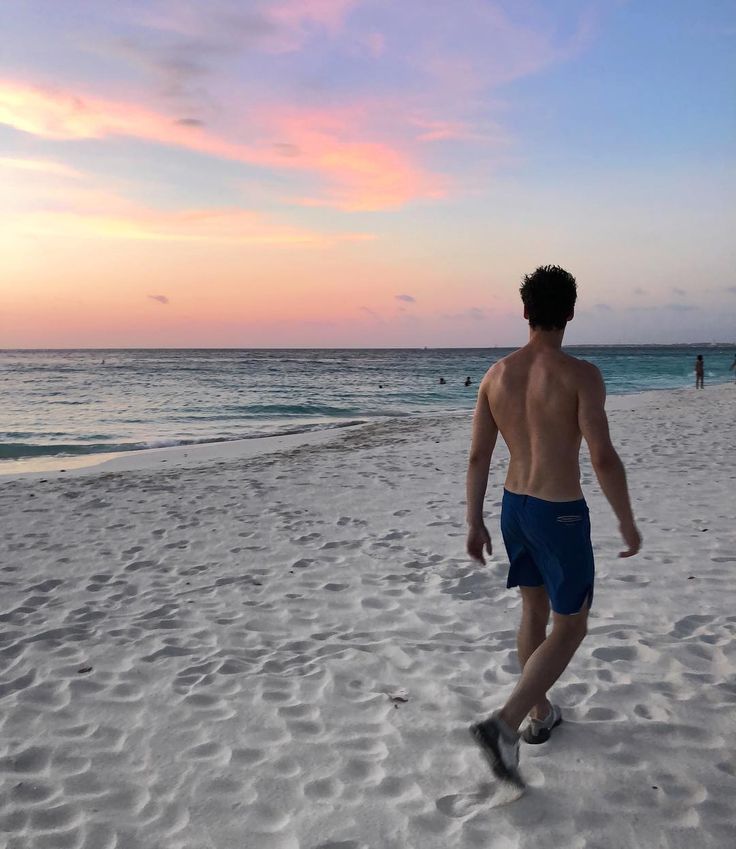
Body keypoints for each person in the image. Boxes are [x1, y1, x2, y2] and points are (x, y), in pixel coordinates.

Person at [465, 265, 641, 789]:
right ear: (569, 313)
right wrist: (627, 521)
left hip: (514, 506)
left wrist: (474, 520)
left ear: (525, 312)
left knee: (533, 609)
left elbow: (478, 456)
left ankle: (542, 715)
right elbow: (603, 457)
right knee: (571, 626)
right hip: (559, 511)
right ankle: (505, 723)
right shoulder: (580, 374)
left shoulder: (496, 375)